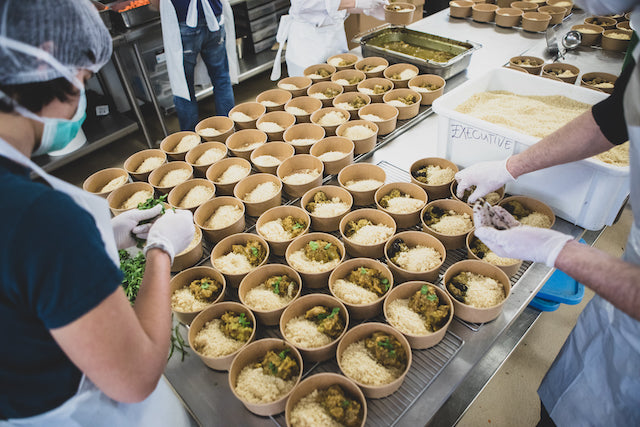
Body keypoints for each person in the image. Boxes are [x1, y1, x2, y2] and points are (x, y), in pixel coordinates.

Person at [0, 1, 196, 425]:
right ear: (41, 66)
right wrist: (161, 250)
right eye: (83, 79)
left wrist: (102, 237)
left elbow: (21, 278)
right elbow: (135, 376)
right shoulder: (39, 216)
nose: (81, 98)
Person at [455, 0, 640, 425]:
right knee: (575, 394)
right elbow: (615, 116)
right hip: (624, 296)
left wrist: (562, 251)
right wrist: (509, 166)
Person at [150, 0, 239, 131]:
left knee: (184, 86)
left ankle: (191, 140)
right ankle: (229, 131)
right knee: (221, 78)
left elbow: (156, 4)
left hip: (183, 22)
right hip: (214, 19)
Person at [271, 0, 389, 80]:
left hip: (335, 40)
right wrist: (356, 2)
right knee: (311, 97)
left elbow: (336, 8)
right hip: (308, 45)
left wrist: (369, 7)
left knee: (339, 87)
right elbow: (307, 3)